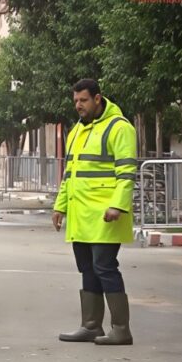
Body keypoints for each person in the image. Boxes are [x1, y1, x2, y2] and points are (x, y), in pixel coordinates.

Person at [53, 79, 136, 345]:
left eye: (84, 100)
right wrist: (60, 205)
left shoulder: (120, 128)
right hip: (80, 215)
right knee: (87, 268)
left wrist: (117, 205)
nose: (78, 105)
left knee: (105, 267)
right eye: (76, 100)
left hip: (105, 214)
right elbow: (70, 173)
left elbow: (126, 173)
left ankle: (121, 329)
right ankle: (91, 326)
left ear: (97, 99)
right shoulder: (76, 130)